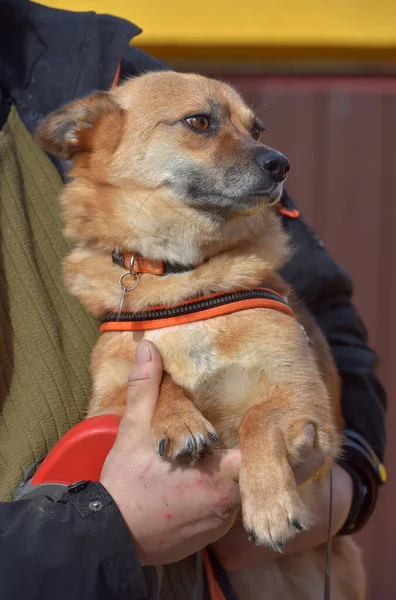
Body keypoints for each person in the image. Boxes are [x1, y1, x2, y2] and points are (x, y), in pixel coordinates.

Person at [0, 1, 386, 599]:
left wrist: (348, 485)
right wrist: (102, 533)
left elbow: (330, 318)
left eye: (251, 131)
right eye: (201, 126)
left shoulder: (99, 63)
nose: (268, 155)